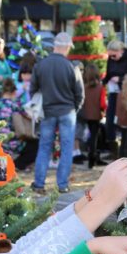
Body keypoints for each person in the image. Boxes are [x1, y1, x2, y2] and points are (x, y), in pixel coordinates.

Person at [30, 31, 83, 194]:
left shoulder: (40, 65)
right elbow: (79, 93)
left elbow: (33, 90)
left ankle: (39, 184)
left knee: (44, 147)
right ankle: (62, 185)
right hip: (67, 111)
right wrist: (75, 107)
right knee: (67, 148)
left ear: (54, 46)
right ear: (67, 47)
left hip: (47, 111)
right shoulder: (71, 66)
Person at [102, 40, 127, 156]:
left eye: (114, 55)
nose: (112, 58)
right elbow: (108, 73)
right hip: (114, 93)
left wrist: (120, 79)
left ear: (121, 51)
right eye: (110, 56)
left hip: (125, 94)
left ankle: (125, 151)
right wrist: (101, 83)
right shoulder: (112, 59)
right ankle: (113, 149)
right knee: (110, 121)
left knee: (124, 121)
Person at [0, 78, 30, 161]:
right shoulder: (15, 105)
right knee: (35, 142)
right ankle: (19, 165)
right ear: (14, 92)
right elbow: (27, 116)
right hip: (12, 143)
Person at [81, 63, 107, 168]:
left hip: (84, 114)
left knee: (89, 137)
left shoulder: (83, 87)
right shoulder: (100, 88)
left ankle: (92, 158)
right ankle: (93, 158)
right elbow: (102, 104)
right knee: (95, 137)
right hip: (96, 115)